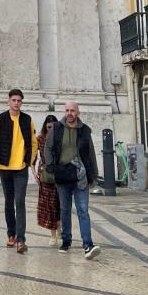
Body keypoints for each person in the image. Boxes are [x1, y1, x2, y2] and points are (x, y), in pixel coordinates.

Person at [43, 100, 100, 259]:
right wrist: (50, 166)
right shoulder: (57, 128)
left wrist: (93, 176)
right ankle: (66, 240)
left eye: (72, 110)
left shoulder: (85, 131)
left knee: (83, 210)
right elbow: (47, 147)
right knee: (65, 210)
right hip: (62, 174)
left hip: (80, 176)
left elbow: (91, 154)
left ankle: (88, 244)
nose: (69, 113)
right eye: (67, 110)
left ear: (78, 112)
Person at [0, 88, 34, 254]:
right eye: (13, 100)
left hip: (21, 168)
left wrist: (30, 162)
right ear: (8, 101)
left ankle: (21, 240)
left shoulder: (27, 120)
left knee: (20, 201)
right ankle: (11, 234)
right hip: (5, 168)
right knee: (9, 201)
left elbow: (33, 143)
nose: (16, 103)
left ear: (22, 102)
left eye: (19, 101)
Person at [34, 113, 61, 247]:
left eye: (53, 125)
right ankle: (53, 235)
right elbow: (33, 156)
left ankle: (61, 233)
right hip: (45, 175)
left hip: (60, 174)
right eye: (48, 125)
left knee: (60, 205)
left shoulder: (61, 138)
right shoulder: (40, 139)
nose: (50, 127)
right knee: (49, 206)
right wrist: (35, 173)